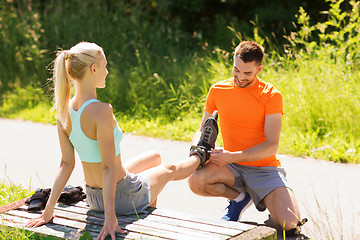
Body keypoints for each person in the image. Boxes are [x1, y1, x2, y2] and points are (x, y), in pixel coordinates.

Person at [25, 42, 208, 240]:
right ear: (93, 68)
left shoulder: (64, 109)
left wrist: (48, 209)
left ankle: (146, 213)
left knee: (153, 157)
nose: (107, 71)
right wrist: (110, 218)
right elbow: (108, 168)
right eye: (105, 65)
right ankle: (201, 153)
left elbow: (66, 163)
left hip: (94, 198)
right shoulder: (102, 111)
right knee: (169, 169)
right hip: (122, 197)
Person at [188, 41, 305, 234]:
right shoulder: (218, 90)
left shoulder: (271, 95)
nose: (240, 77)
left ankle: (268, 202)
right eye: (236, 70)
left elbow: (271, 146)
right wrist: (197, 148)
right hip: (231, 166)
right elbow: (201, 129)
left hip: (264, 168)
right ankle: (239, 199)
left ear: (259, 69)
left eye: (247, 73)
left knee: (290, 224)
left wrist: (231, 156)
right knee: (196, 181)